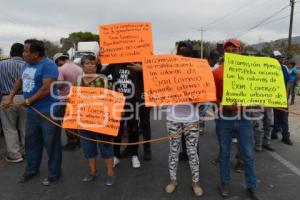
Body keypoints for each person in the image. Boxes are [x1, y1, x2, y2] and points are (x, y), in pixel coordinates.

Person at [3, 39, 62, 186]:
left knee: (51, 144)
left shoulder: (49, 65)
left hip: (48, 112)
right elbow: (20, 80)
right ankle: (31, 170)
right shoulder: (27, 64)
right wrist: (11, 96)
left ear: (35, 54)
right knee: (31, 143)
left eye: (26, 51)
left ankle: (54, 173)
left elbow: (46, 89)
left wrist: (29, 101)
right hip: (31, 112)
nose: (24, 54)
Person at [213, 39, 259, 199]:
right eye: (228, 50)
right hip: (224, 118)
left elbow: (255, 92)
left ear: (239, 52)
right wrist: (224, 105)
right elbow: (213, 97)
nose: (232, 53)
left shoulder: (249, 71)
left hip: (244, 118)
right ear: (224, 53)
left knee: (248, 153)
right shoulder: (217, 72)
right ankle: (224, 183)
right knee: (224, 153)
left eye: (235, 50)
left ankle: (251, 185)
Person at [165, 41, 203, 197]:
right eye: (180, 53)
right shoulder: (168, 71)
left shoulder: (199, 71)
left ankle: (196, 182)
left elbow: (201, 97)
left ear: (192, 56)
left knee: (192, 151)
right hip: (173, 118)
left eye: (186, 53)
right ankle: (173, 180)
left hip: (191, 119)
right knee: (173, 150)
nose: (182, 55)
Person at [77, 55, 115, 186]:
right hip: (84, 121)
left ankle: (110, 173)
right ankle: (92, 172)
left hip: (101, 120)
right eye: (87, 63)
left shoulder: (103, 79)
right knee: (88, 148)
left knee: (106, 147)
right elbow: (75, 101)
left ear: (96, 66)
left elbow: (110, 99)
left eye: (93, 64)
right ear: (82, 66)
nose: (90, 66)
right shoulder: (78, 81)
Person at [101, 63, 142, 169]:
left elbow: (150, 76)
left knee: (134, 129)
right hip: (117, 103)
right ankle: (115, 155)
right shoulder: (113, 65)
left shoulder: (136, 62)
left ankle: (134, 155)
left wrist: (142, 69)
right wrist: (98, 61)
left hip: (133, 102)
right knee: (117, 130)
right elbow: (101, 75)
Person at [0, 43, 26, 163]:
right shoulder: (28, 66)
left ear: (11, 52)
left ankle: (15, 155)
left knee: (9, 128)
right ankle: (28, 151)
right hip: (26, 98)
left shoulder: (1, 65)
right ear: (23, 53)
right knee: (25, 126)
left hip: (7, 98)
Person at [53, 52, 83, 150]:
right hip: (77, 98)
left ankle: (71, 142)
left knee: (67, 122)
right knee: (75, 120)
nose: (57, 65)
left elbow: (59, 84)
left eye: (57, 63)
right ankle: (79, 140)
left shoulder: (61, 69)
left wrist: (55, 84)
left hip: (64, 99)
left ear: (59, 60)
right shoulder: (79, 68)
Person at [271, 51, 293, 145]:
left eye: (281, 58)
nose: (281, 60)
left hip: (282, 97)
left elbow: (288, 83)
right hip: (271, 97)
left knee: (284, 117)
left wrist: (286, 96)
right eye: (278, 58)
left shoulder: (284, 68)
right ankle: (274, 133)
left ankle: (285, 136)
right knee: (273, 117)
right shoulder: (268, 68)